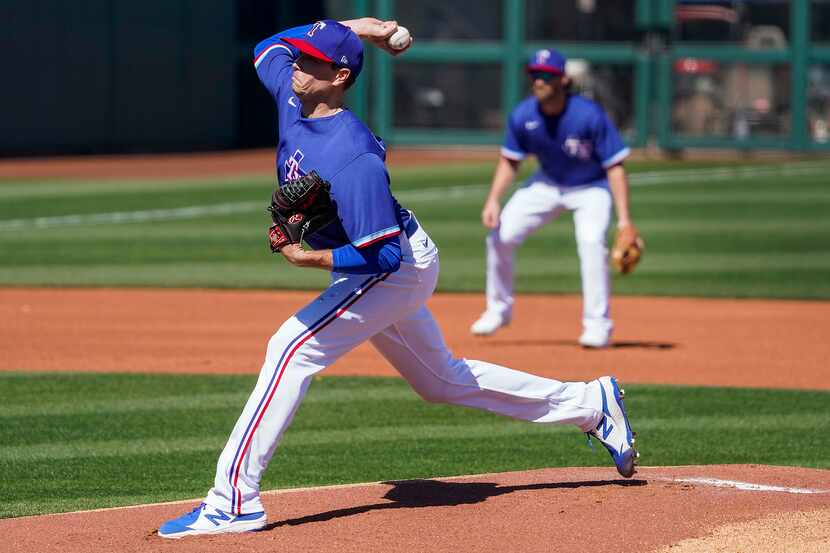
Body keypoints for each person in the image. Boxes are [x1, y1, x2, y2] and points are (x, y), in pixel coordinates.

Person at [158, 19, 637, 539]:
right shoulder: (292, 94)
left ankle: (233, 501)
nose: (296, 62)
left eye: (311, 58)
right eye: (298, 55)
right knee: (442, 381)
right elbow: (265, 46)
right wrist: (359, 27)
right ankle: (591, 404)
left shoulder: (354, 156)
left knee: (290, 349)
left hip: (398, 266)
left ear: (339, 76)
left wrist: (307, 260)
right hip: (394, 262)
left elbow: (382, 257)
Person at [470, 48, 638, 348]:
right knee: (499, 237)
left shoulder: (589, 115)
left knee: (590, 242)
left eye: (546, 75)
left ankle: (598, 325)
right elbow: (510, 161)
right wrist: (494, 199)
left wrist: (625, 221)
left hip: (590, 188)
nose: (539, 81)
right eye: (535, 74)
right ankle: (498, 310)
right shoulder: (524, 115)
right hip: (547, 184)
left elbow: (615, 167)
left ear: (563, 80)